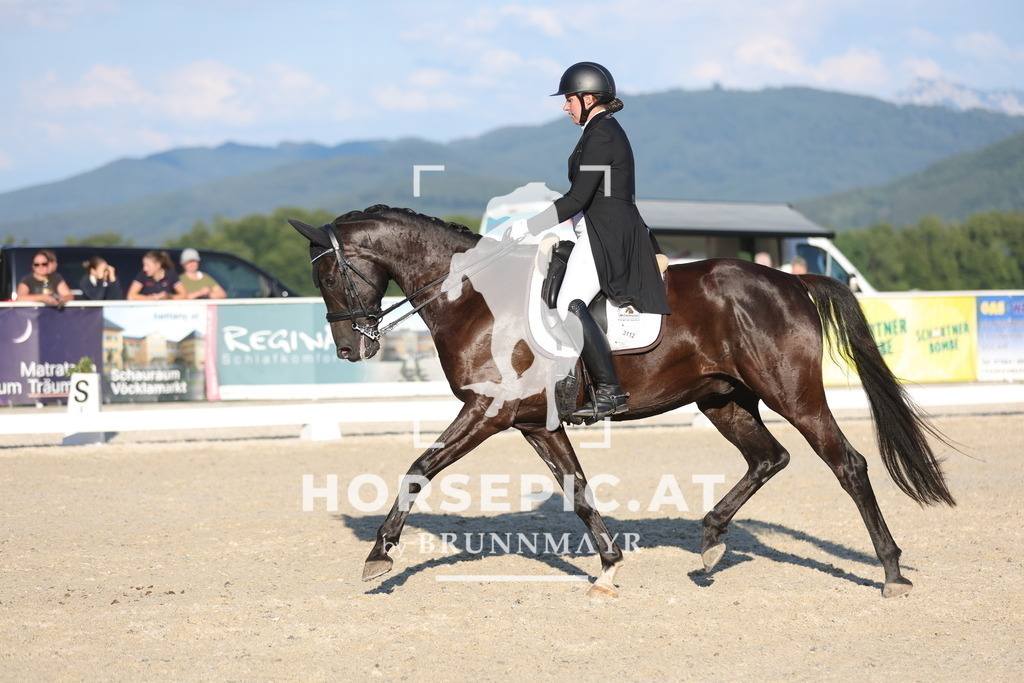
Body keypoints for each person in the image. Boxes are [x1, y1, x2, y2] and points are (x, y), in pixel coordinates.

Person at [511, 61, 671, 423]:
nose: (565, 106)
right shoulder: (599, 131)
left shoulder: (601, 136)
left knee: (570, 302)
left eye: (569, 99)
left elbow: (578, 198)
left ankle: (610, 392)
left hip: (609, 232)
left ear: (587, 97)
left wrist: (528, 226)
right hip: (598, 227)